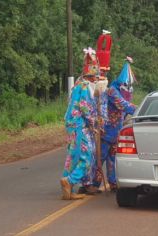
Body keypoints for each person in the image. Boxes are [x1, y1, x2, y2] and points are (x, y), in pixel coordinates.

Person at [60, 47, 105, 200]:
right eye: (96, 76)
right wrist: (94, 125)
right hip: (80, 125)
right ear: (91, 75)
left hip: (72, 124)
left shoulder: (78, 84)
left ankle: (67, 188)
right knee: (86, 156)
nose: (96, 79)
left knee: (72, 155)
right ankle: (70, 181)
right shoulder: (85, 86)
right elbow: (85, 108)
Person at [92, 57, 136, 191]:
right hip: (106, 130)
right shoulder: (112, 91)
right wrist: (140, 110)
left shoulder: (125, 91)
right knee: (100, 158)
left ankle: (113, 182)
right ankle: (93, 184)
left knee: (113, 158)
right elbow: (124, 105)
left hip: (117, 131)